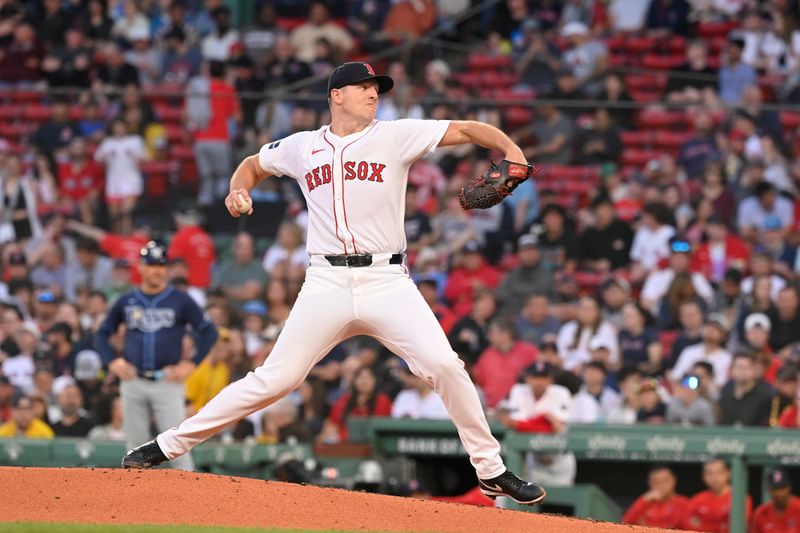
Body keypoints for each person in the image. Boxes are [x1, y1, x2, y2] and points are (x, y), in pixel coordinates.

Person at [123, 62, 547, 505]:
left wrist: (513, 153)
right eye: (363, 86)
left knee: (445, 366)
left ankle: (491, 471)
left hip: (387, 279)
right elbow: (252, 164)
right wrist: (237, 190)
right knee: (274, 379)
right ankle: (168, 445)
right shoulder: (303, 146)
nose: (373, 93)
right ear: (336, 95)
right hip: (325, 280)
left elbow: (473, 129)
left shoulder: (394, 135)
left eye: (376, 88)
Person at [99, 240, 218, 471]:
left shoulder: (180, 299)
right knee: (134, 450)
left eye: (161, 265)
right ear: (141, 267)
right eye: (151, 264)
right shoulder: (126, 300)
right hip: (133, 380)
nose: (156, 270)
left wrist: (192, 363)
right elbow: (103, 333)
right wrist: (111, 360)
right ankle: (137, 503)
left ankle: (189, 503)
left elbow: (209, 332)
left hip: (168, 381)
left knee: (178, 447)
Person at [498, 361, 576, 487]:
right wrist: (543, 419)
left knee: (560, 503)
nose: (539, 382)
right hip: (533, 461)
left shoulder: (561, 392)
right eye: (535, 377)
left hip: (558, 460)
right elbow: (511, 423)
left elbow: (558, 427)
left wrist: (524, 424)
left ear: (550, 379)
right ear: (527, 378)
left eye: (543, 378)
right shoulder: (518, 391)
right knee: (528, 501)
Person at [685, 458, 752, 533]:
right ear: (703, 476)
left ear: (728, 473)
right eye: (710, 473)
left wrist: (703, 526)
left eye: (719, 473)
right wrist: (720, 526)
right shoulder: (697, 500)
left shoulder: (739, 498)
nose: (714, 478)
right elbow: (688, 527)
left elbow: (738, 528)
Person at [623, 465, 690, 529]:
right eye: (656, 482)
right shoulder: (644, 502)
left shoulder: (683, 503)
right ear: (649, 483)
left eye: (665, 480)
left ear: (674, 480)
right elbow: (625, 524)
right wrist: (643, 500)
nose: (661, 485)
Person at [718, 353, 774, 426]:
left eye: (746, 367)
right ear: (732, 370)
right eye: (739, 367)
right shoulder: (726, 391)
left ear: (754, 370)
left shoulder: (765, 394)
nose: (742, 371)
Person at [750, 468, 800, 533]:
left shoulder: (798, 507)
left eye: (782, 488)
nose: (779, 493)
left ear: (789, 487)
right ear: (769, 490)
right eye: (776, 489)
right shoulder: (761, 513)